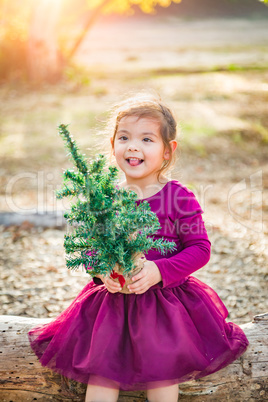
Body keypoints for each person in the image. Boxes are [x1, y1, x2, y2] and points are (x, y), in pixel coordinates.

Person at [28, 94, 249, 402]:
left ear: (168, 151)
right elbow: (93, 247)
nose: (133, 146)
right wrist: (104, 272)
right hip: (113, 306)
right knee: (102, 374)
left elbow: (199, 248)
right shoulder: (106, 199)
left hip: (165, 305)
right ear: (112, 144)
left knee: (162, 373)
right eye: (124, 137)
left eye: (146, 139)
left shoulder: (178, 197)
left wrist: (159, 270)